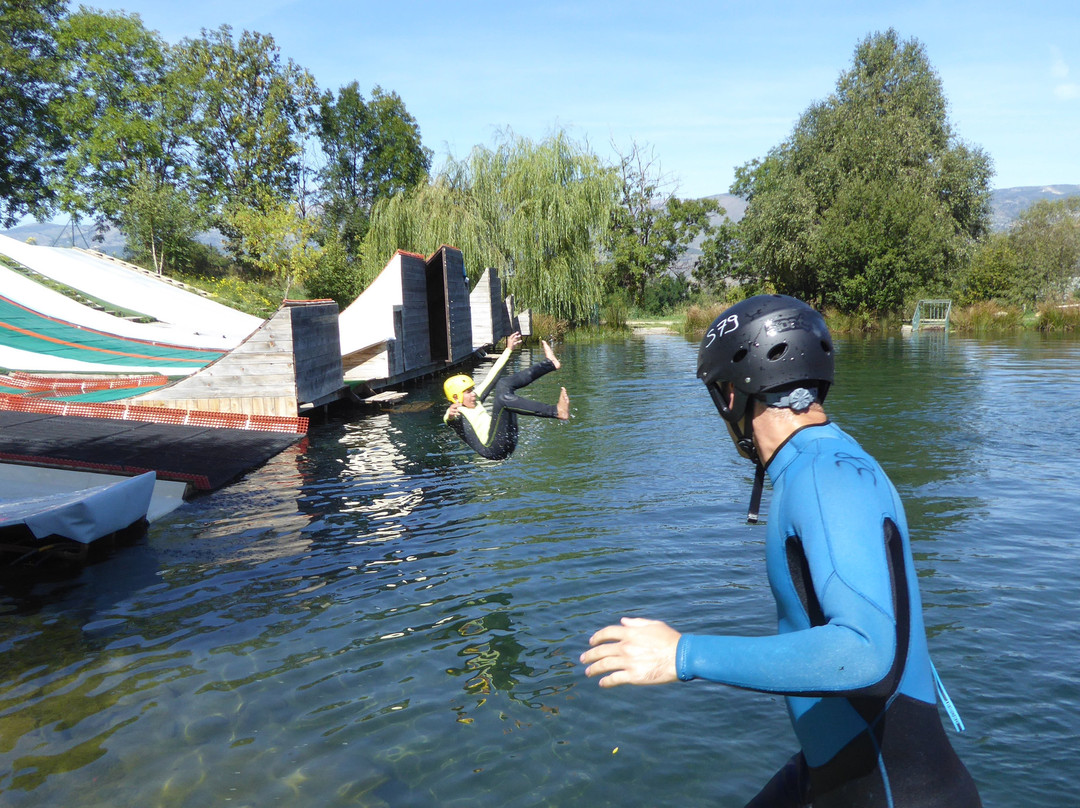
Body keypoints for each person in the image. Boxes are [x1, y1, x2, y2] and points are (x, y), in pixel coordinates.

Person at [580, 294, 981, 807]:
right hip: (838, 776)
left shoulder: (823, 478)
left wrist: (682, 654)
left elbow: (866, 653)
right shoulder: (825, 463)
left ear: (731, 394)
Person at [443, 331, 569, 460]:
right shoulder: (457, 413)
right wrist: (451, 413)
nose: (473, 394)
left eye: (472, 389)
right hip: (493, 449)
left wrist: (508, 349)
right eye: (468, 392)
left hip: (506, 441)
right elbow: (449, 418)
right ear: (456, 397)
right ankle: (556, 411)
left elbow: (492, 375)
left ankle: (549, 364)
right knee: (502, 400)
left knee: (503, 384)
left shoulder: (477, 399)